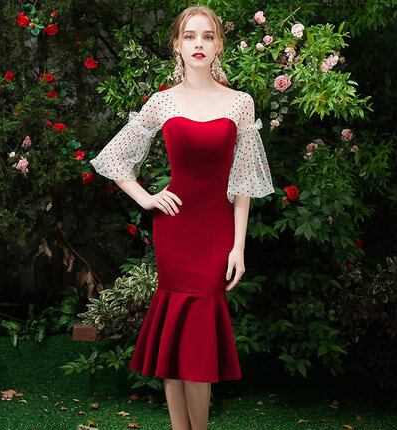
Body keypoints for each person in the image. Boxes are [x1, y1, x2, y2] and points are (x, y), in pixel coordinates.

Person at [90, 5, 275, 430]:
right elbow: (115, 159)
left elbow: (243, 184)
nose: (198, 44)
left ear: (219, 45)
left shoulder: (240, 103)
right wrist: (146, 198)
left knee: (198, 341)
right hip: (175, 230)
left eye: (207, 36)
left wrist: (238, 247)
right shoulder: (163, 102)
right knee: (175, 338)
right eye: (190, 36)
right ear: (177, 45)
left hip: (216, 233)